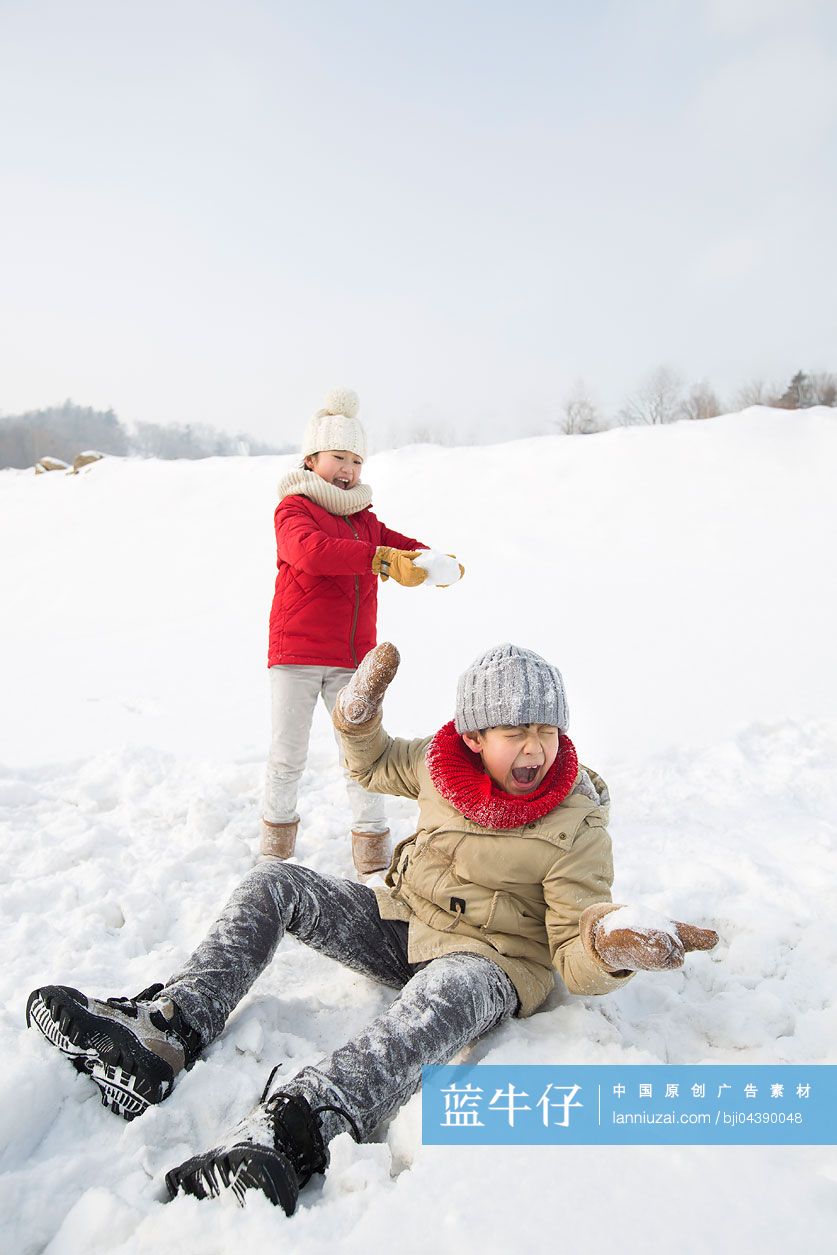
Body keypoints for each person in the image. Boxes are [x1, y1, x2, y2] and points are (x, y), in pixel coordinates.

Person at [26, 642, 718, 1214]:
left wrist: (607, 945)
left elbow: (571, 948)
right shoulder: (440, 765)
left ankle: (299, 1124)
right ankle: (166, 1031)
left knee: (448, 989)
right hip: (405, 921)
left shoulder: (575, 821)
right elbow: (374, 760)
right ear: (475, 738)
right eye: (515, 732)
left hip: (494, 961)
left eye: (544, 730)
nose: (533, 747)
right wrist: (358, 718)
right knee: (277, 882)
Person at [262, 386, 461, 875]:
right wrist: (378, 559)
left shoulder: (364, 521)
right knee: (289, 753)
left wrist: (434, 562)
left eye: (356, 460)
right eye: (338, 457)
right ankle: (274, 843)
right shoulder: (294, 510)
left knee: (362, 754)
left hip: (353, 659)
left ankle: (372, 843)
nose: (348, 469)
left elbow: (400, 548)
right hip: (297, 656)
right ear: (312, 458)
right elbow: (310, 552)